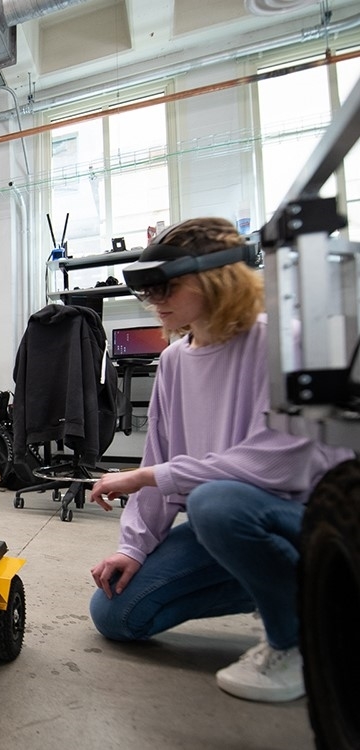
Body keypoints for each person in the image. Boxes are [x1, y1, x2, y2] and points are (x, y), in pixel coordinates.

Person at [87, 217, 353, 703]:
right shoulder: (173, 361)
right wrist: (133, 548)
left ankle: (294, 643)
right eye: (147, 289)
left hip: (305, 520)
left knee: (215, 503)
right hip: (231, 525)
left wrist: (148, 476)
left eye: (165, 286)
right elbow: (161, 455)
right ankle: (301, 597)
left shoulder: (280, 340)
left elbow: (279, 464)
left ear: (216, 279)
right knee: (117, 614)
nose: (154, 299)